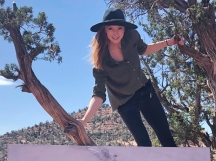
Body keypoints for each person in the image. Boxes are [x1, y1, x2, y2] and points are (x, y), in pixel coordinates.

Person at [78, 8, 184, 147]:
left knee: (166, 136)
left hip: (145, 91)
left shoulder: (132, 36)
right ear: (104, 30)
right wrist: (84, 121)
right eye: (111, 28)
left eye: (119, 28)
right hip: (124, 102)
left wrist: (169, 42)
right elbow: (98, 94)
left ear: (124, 28)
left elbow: (144, 49)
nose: (115, 33)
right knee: (144, 145)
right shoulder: (101, 60)